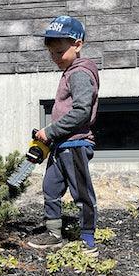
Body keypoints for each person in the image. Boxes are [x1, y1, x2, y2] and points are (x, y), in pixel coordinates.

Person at [27, 15, 100, 251]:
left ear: (77, 44)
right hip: (61, 145)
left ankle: (88, 239)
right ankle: (53, 233)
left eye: (59, 53)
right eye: (51, 54)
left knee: (82, 194)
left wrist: (51, 131)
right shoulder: (69, 71)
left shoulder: (80, 73)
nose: (55, 58)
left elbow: (81, 113)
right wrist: (48, 135)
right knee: (51, 187)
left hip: (76, 145)